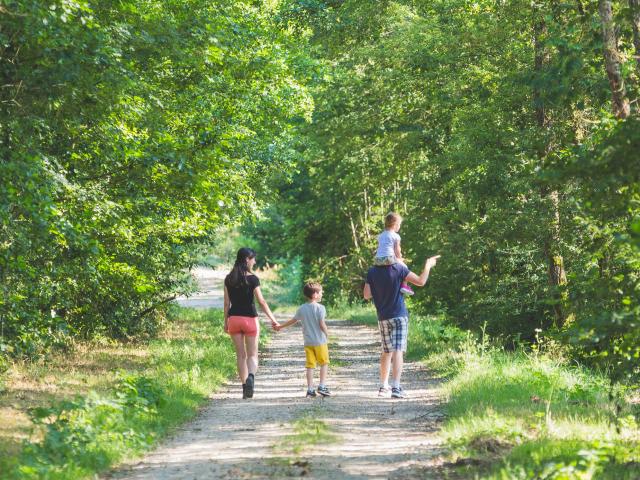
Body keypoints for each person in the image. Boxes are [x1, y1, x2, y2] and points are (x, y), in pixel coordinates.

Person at [364, 254, 440, 399]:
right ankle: (396, 387)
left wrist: (381, 287)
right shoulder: (399, 269)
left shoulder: (372, 271)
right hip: (399, 315)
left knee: (386, 351)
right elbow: (421, 281)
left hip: (383, 317)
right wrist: (428, 265)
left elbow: (367, 295)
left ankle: (383, 387)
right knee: (398, 350)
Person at [224, 247, 278, 399]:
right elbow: (261, 301)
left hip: (234, 319)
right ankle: (251, 378)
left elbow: (226, 303)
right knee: (252, 355)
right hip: (250, 320)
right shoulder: (253, 279)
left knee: (240, 355)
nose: (254, 261)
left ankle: (244, 388)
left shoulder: (229, 279)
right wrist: (273, 320)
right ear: (247, 259)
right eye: (253, 258)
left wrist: (225, 322)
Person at [274, 282, 331, 398]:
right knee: (324, 363)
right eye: (320, 292)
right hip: (320, 342)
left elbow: (293, 320)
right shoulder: (321, 308)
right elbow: (321, 323)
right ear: (315, 294)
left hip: (308, 342)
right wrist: (327, 333)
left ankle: (310, 389)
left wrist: (280, 326)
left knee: (310, 366)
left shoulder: (301, 308)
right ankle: (322, 386)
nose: (322, 294)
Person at [374, 212, 414, 296]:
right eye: (399, 224)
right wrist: (399, 258)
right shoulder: (396, 236)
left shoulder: (380, 235)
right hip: (389, 258)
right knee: (404, 267)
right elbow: (397, 250)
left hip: (377, 260)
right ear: (395, 225)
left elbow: (382, 248)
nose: (399, 226)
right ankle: (404, 286)